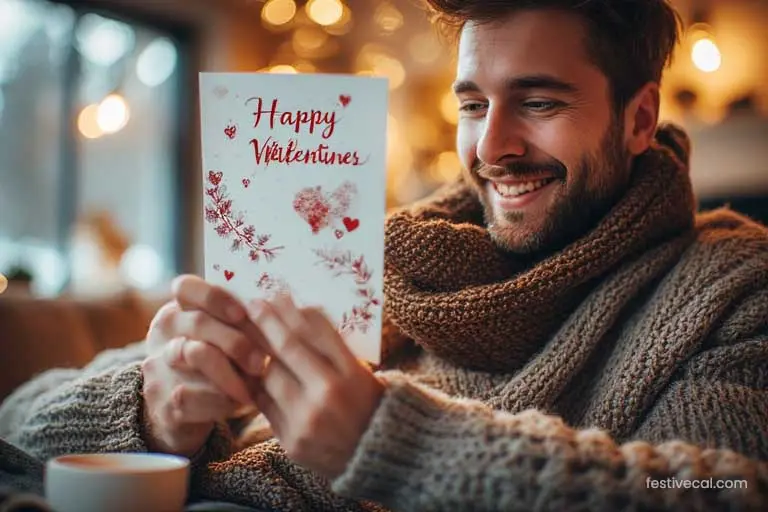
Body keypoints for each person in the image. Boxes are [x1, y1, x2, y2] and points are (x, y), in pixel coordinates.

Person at [2, 0, 767, 510]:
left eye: (539, 103)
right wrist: (148, 410)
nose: (492, 147)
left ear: (638, 119)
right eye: (473, 104)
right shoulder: (376, 263)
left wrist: (392, 441)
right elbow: (16, 420)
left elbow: (726, 487)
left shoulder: (728, 289)